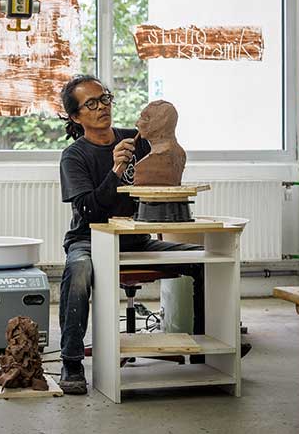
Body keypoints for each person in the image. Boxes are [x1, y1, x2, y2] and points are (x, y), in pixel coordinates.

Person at [57, 75, 204, 395]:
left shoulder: (138, 140)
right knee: (79, 269)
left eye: (105, 99)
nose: (102, 108)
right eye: (91, 104)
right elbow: (89, 212)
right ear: (75, 116)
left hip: (136, 239)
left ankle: (204, 348)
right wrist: (114, 171)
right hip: (90, 240)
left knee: (200, 258)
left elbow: (161, 187)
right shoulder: (74, 156)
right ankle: (71, 361)